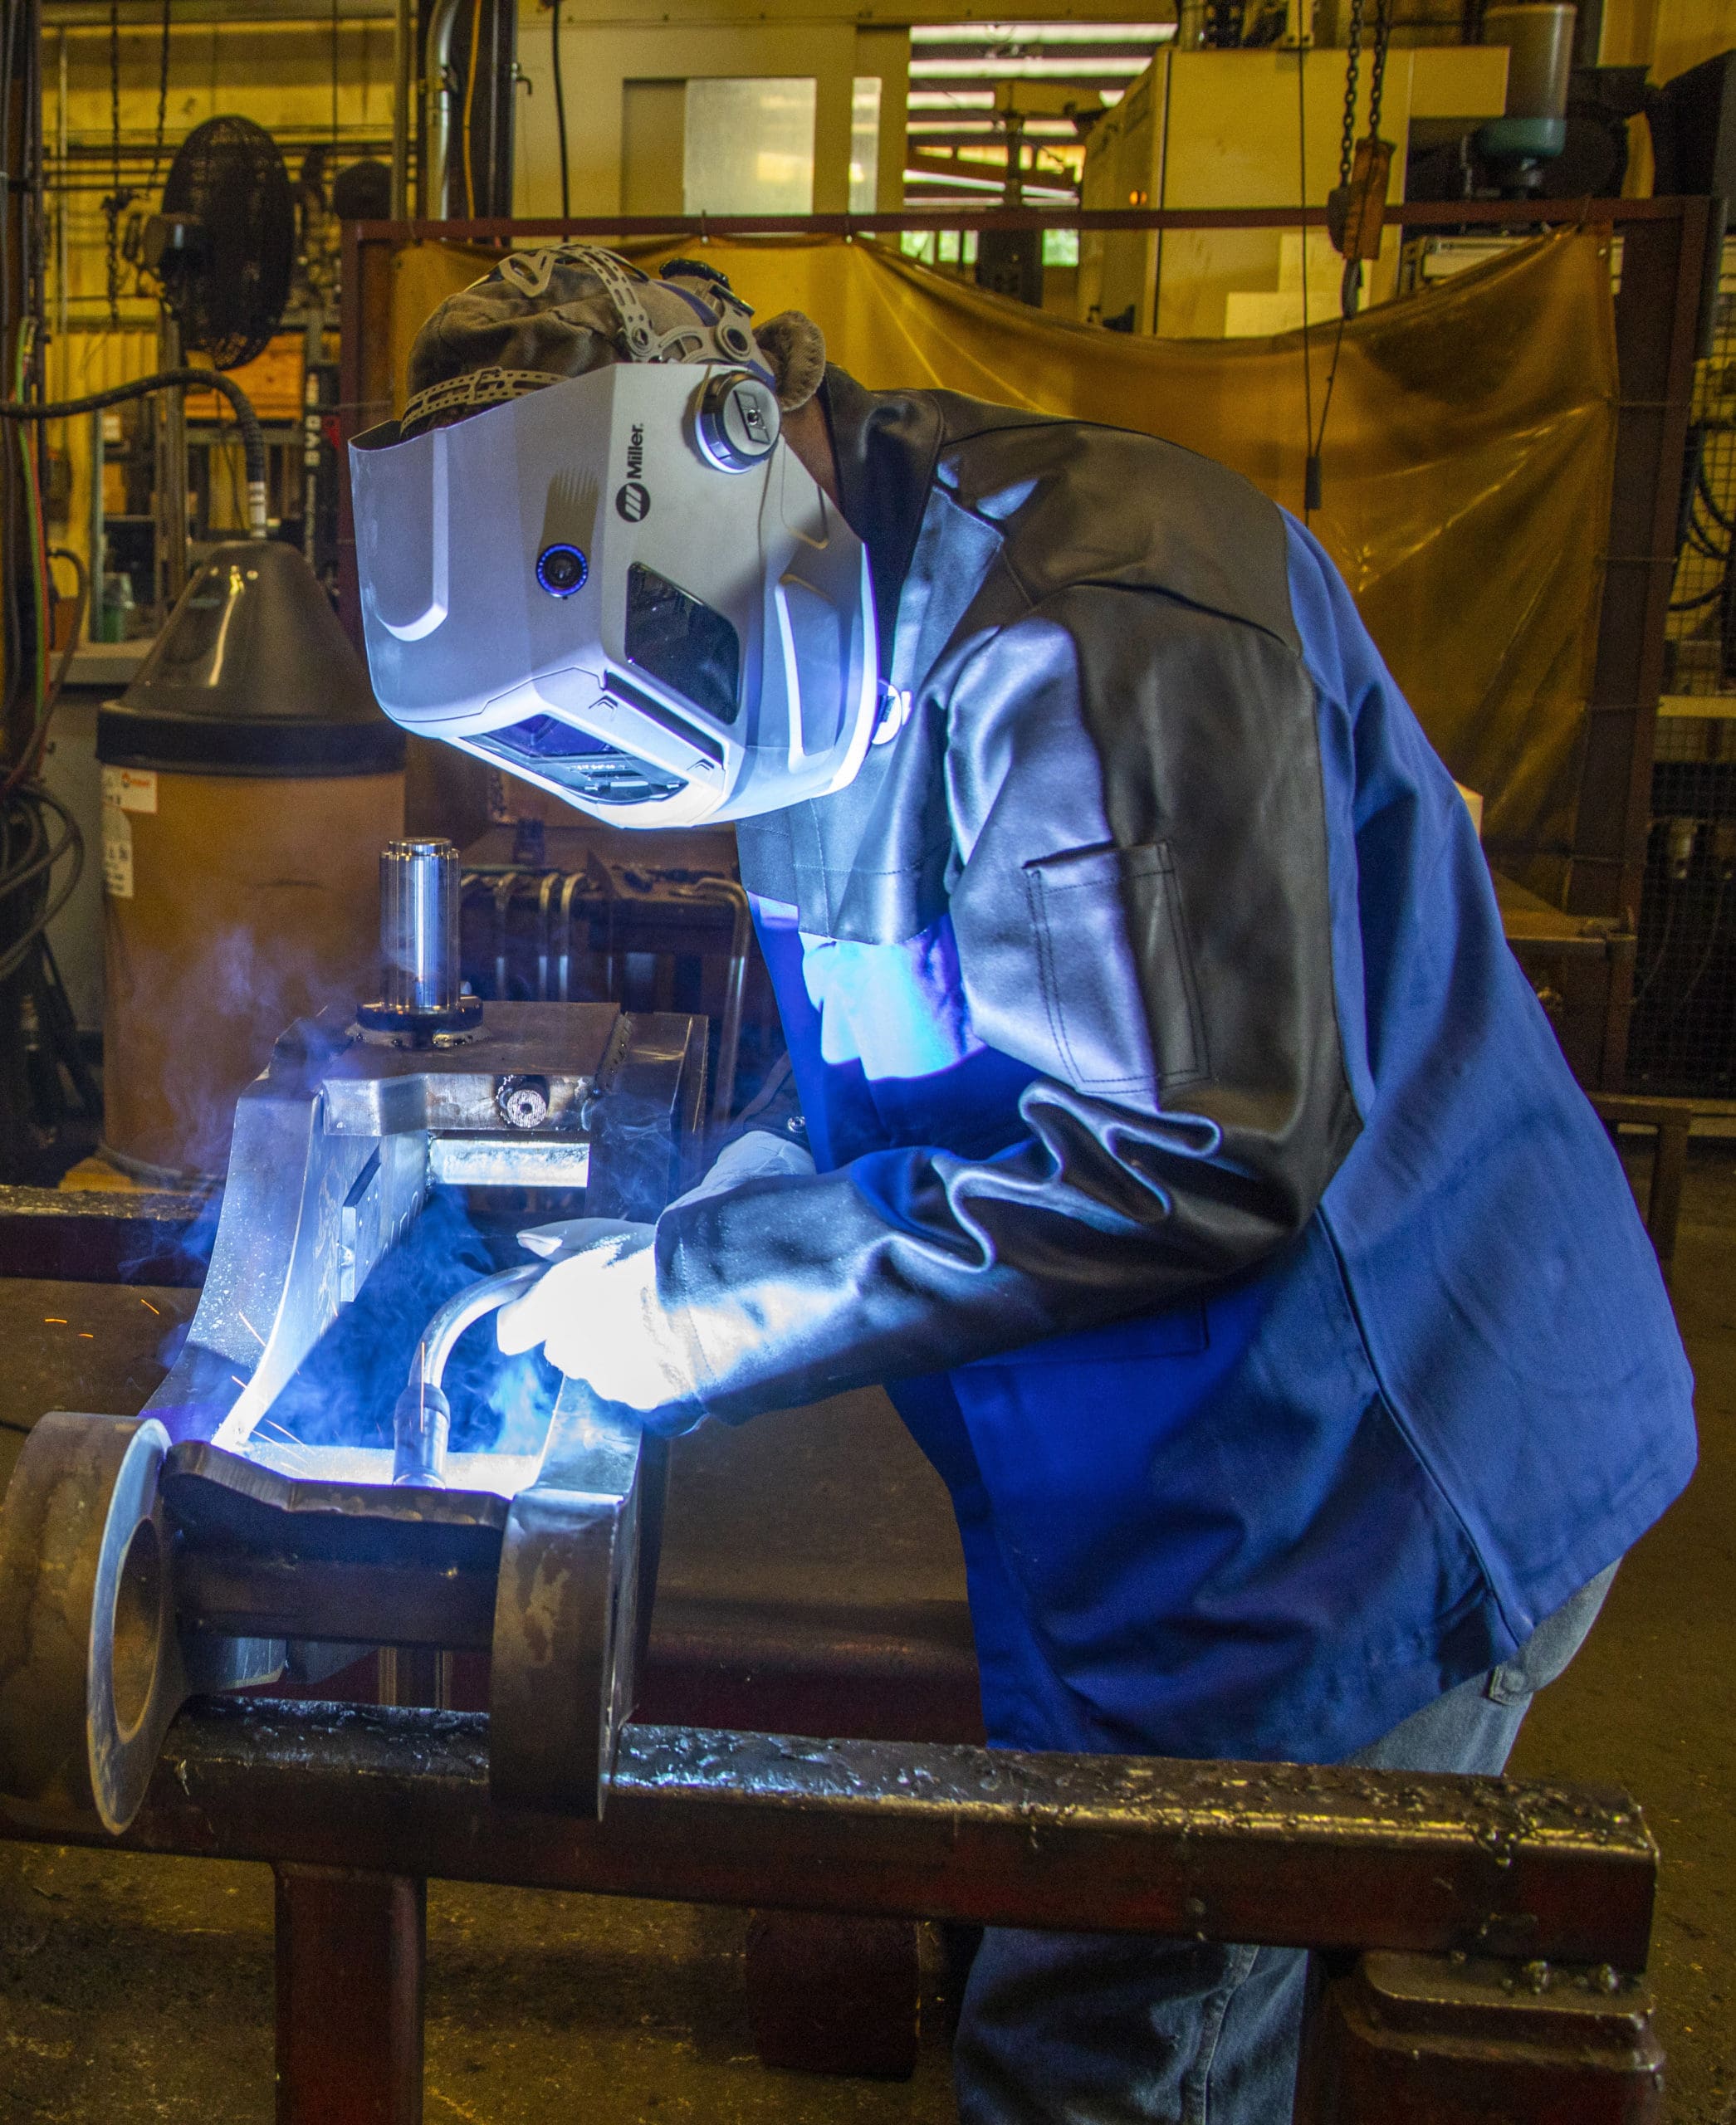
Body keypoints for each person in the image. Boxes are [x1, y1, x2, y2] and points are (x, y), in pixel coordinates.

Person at [350, 247, 1696, 2123]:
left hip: (1379, 1471)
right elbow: (853, 1094)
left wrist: (683, 1314)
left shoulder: (1098, 614)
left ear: (734, 448)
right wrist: (666, 1242)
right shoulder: (791, 641)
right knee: (1082, 1967)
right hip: (1157, 1485)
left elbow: (1184, 1154)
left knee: (1102, 2049)